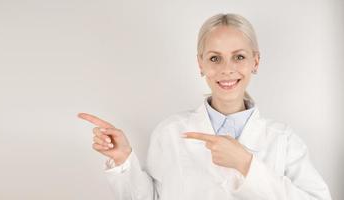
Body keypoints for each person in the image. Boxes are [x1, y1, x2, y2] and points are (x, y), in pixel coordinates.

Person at [77, 13, 332, 200]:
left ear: (256, 60)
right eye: (214, 58)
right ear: (201, 64)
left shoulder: (283, 141)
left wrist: (247, 165)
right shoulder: (170, 132)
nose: (226, 69)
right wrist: (124, 160)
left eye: (239, 57)